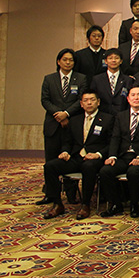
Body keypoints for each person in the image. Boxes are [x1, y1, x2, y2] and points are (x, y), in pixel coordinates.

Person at [43, 89, 112, 220]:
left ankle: (85, 204)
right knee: (50, 166)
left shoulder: (108, 119)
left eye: (92, 100)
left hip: (95, 159)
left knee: (88, 167)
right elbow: (67, 142)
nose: (89, 103)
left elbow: (112, 144)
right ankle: (57, 204)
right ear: (81, 104)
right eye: (86, 100)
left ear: (98, 102)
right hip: (76, 157)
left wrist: (98, 154)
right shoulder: (74, 120)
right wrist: (65, 152)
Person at [98, 85, 139, 218]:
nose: (136, 98)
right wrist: (112, 156)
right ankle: (116, 204)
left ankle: (134, 205)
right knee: (105, 171)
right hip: (123, 155)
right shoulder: (121, 116)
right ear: (128, 98)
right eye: (133, 95)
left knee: (133, 172)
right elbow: (115, 137)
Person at [40, 48, 87, 205]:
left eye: (71, 60)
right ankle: (51, 195)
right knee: (51, 161)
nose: (68, 62)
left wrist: (66, 113)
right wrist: (58, 115)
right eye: (65, 60)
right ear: (58, 61)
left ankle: (71, 193)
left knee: (70, 158)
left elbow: (81, 100)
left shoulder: (81, 78)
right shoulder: (49, 79)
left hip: (72, 123)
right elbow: (45, 100)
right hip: (53, 125)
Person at [90, 48, 134, 115]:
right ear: (105, 61)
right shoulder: (97, 79)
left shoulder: (128, 80)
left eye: (116, 58)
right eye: (110, 58)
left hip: (122, 115)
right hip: (102, 115)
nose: (113, 60)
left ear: (121, 61)